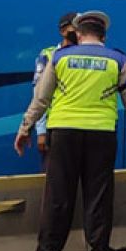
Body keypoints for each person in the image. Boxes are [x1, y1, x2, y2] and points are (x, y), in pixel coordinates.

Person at [14, 11, 126, 251]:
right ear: (104, 35)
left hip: (64, 132)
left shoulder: (59, 57)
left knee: (59, 195)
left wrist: (26, 128)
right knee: (98, 195)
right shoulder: (118, 60)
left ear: (78, 34)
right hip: (101, 134)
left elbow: (41, 98)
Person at [32, 12, 79, 162]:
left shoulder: (86, 54)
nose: (78, 31)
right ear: (63, 31)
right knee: (54, 178)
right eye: (75, 27)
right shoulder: (48, 55)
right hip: (55, 128)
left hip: (79, 127)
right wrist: (41, 130)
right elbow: (39, 94)